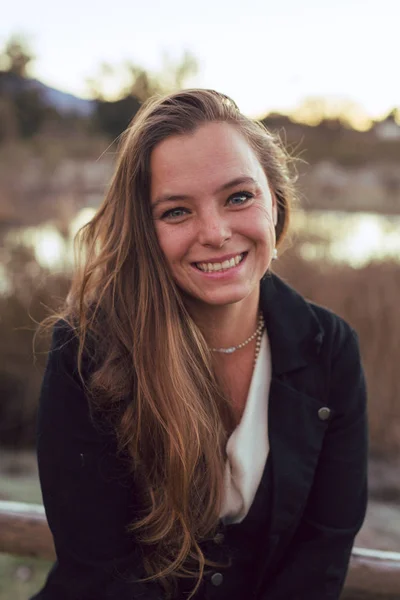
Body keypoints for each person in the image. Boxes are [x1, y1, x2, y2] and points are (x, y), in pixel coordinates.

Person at [31, 89, 368, 600]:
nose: (214, 233)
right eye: (176, 211)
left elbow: (322, 553)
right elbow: (100, 572)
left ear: (274, 202)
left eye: (238, 197)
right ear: (145, 230)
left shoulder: (332, 349)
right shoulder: (87, 351)